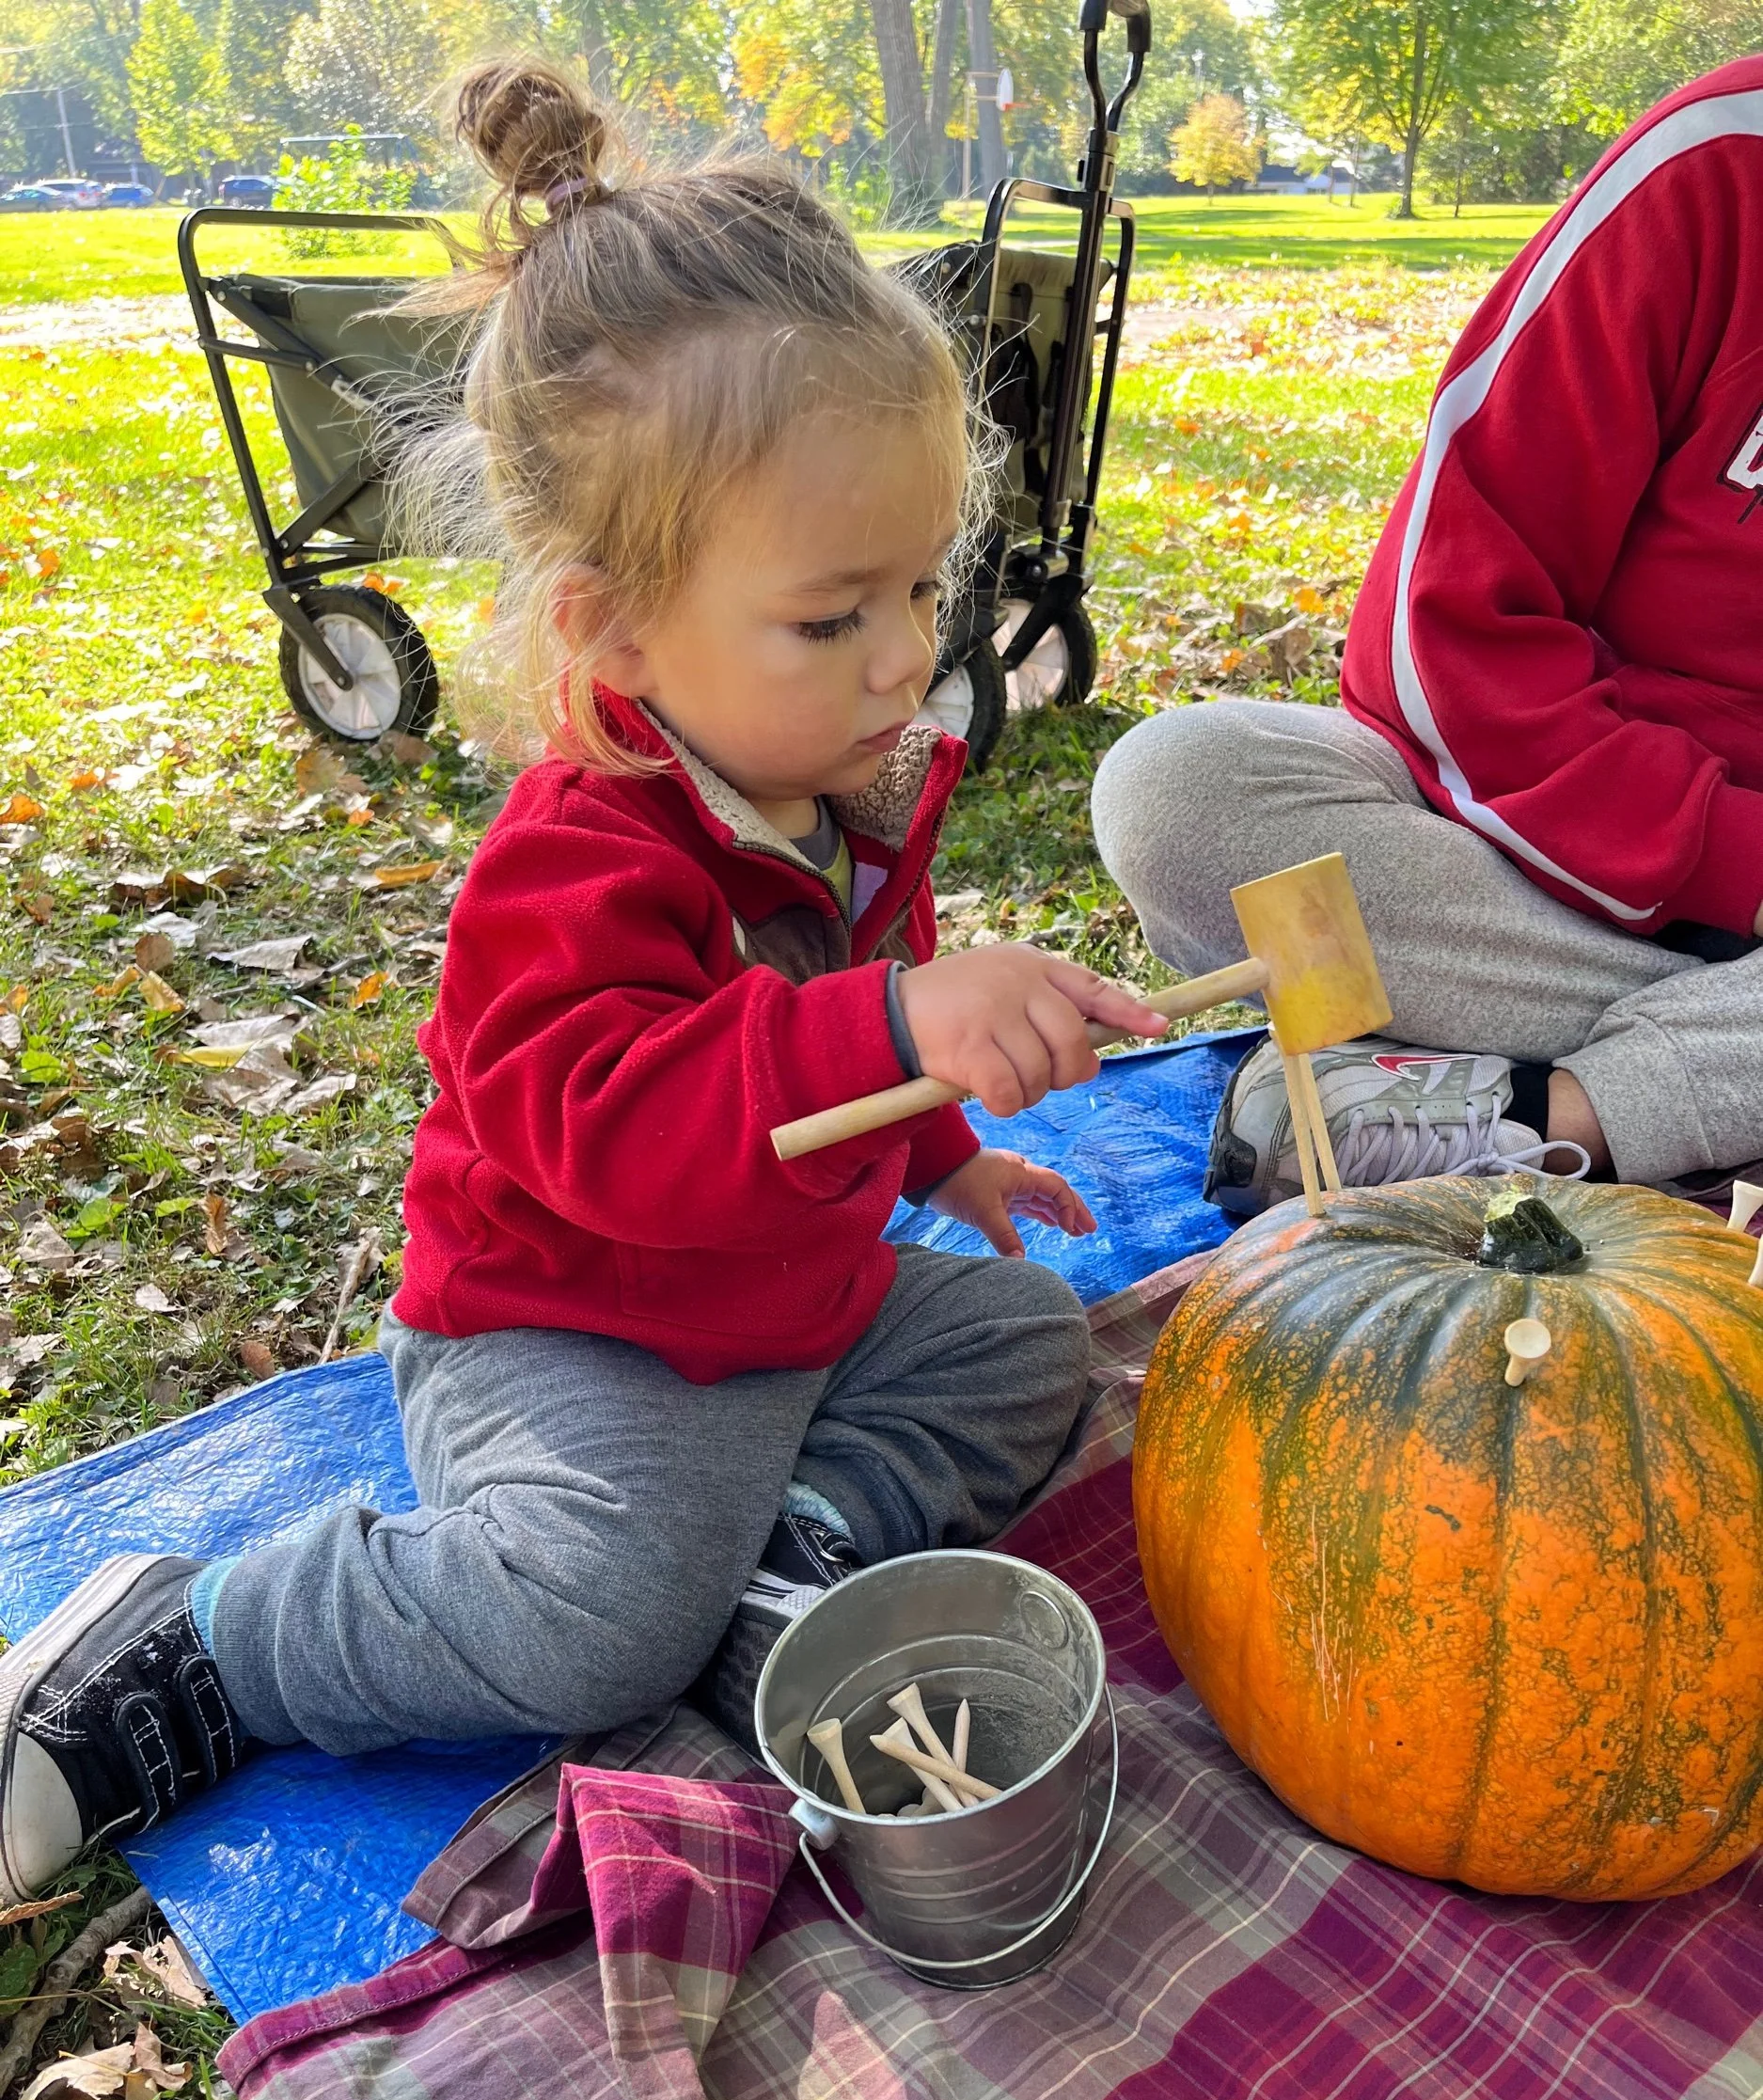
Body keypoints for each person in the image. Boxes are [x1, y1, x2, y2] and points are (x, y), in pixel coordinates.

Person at [0, 61, 1170, 1903]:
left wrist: (942, 1151)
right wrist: (886, 1029)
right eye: (830, 613)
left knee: (1031, 1340)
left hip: (785, 1301)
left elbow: (872, 995)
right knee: (592, 1631)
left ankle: (790, 1551)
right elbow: (621, 1131)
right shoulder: (577, 859)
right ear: (614, 627)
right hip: (575, 1331)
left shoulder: (849, 785)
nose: (901, 661)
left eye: (919, 586)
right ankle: (209, 1640)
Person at [1092, 55, 1763, 1215]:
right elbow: (1443, 629)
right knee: (1178, 788)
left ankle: (1542, 1118)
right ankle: (1711, 1097)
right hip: (1535, 863)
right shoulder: (1717, 172)